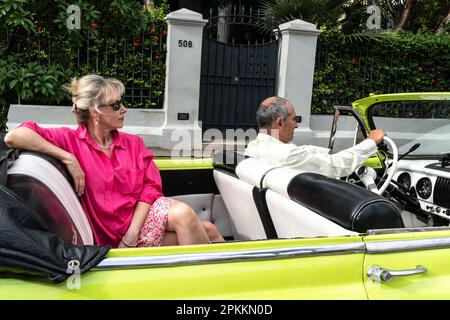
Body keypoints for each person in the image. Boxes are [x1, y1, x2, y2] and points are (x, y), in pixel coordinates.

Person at [4, 74, 224, 248]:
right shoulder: (69, 141)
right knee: (196, 223)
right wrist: (67, 157)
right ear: (95, 112)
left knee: (206, 229)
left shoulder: (133, 143)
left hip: (137, 227)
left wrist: (131, 235)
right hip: (107, 236)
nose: (124, 109)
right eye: (116, 105)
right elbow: (14, 136)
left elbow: (150, 188)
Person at [244, 96, 386, 178]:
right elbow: (337, 165)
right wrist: (371, 142)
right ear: (280, 123)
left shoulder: (253, 148)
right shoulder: (287, 155)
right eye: (295, 119)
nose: (296, 126)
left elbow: (301, 151)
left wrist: (323, 151)